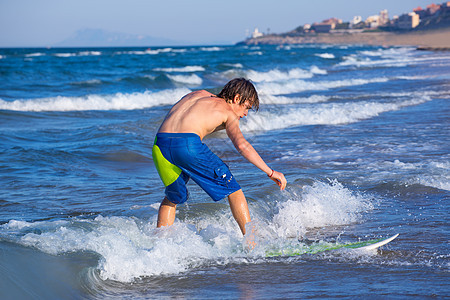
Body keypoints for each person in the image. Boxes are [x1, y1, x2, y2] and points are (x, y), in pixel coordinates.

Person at [152, 78, 287, 235]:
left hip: (159, 146)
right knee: (233, 189)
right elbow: (242, 146)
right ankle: (252, 242)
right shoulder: (228, 113)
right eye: (246, 107)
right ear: (236, 98)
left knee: (173, 197)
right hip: (188, 145)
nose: (245, 114)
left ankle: (160, 243)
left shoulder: (197, 94)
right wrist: (270, 172)